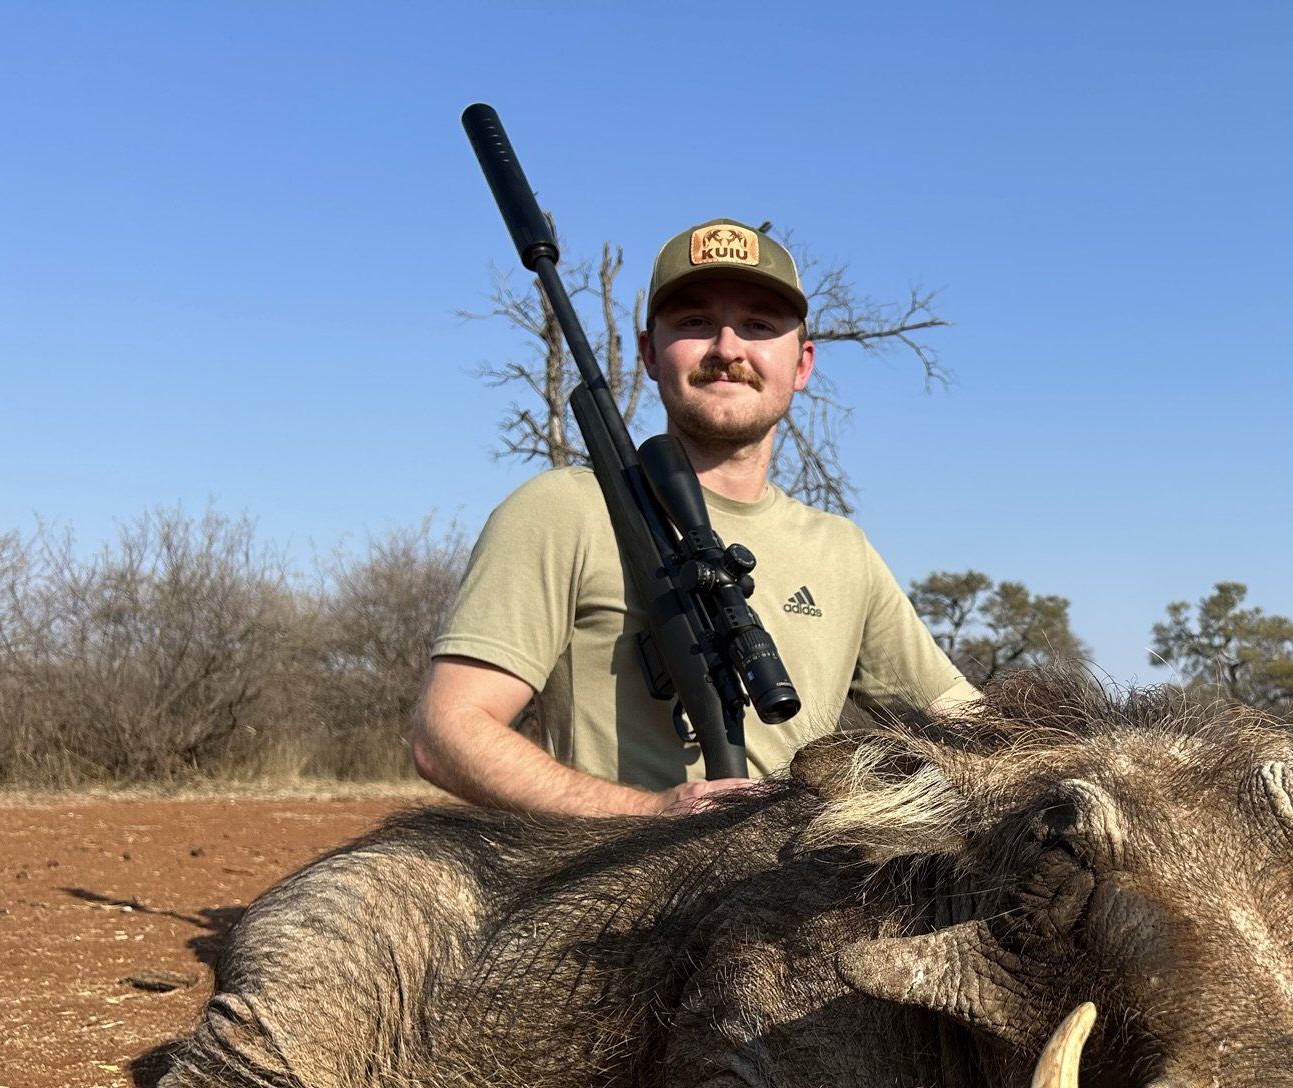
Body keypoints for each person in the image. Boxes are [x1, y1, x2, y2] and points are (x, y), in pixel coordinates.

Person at [410, 219, 979, 816]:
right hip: (604, 897)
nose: (727, 348)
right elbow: (448, 730)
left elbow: (966, 719)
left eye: (758, 325)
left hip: (789, 899)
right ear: (651, 354)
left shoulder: (842, 549)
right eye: (695, 323)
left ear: (803, 363)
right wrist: (650, 814)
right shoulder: (565, 509)